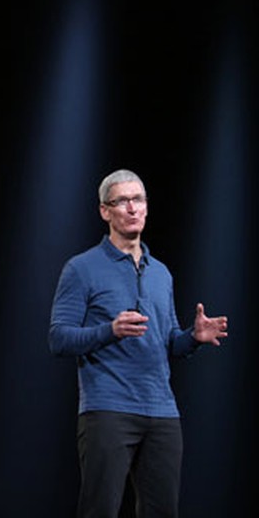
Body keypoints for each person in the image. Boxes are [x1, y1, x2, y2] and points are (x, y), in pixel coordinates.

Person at [49, 169, 229, 518]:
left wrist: (193, 337)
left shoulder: (161, 272)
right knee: (99, 510)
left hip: (162, 413)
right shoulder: (81, 268)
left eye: (139, 199)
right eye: (122, 201)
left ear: (146, 207)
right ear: (105, 211)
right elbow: (58, 338)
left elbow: (168, 343)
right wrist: (109, 330)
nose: (132, 208)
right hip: (108, 409)